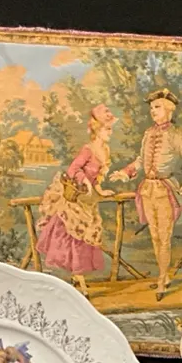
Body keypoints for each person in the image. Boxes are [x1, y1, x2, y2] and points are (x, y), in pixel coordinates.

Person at [108, 87, 182, 298]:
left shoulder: (175, 135)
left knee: (164, 237)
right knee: (154, 236)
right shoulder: (148, 134)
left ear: (169, 109)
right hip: (147, 190)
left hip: (165, 190)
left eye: (157, 107)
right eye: (152, 108)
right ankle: (164, 275)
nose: (153, 111)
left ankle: (162, 279)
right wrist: (125, 172)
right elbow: (140, 160)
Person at [34, 104, 116, 287]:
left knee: (86, 238)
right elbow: (73, 169)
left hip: (88, 201)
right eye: (107, 129)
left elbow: (96, 178)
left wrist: (100, 190)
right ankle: (81, 282)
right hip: (74, 201)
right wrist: (84, 180)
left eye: (111, 129)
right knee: (74, 239)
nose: (110, 133)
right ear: (98, 130)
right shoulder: (88, 149)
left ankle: (76, 277)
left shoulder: (105, 151)